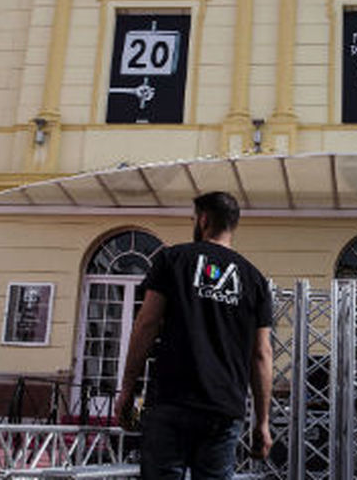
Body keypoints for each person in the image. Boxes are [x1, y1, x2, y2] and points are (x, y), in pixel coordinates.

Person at [116, 191, 274, 480]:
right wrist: (262, 422)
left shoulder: (172, 259)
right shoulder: (255, 280)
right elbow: (261, 354)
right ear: (232, 225)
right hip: (223, 408)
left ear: (203, 220)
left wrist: (127, 389)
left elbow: (146, 324)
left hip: (171, 399)